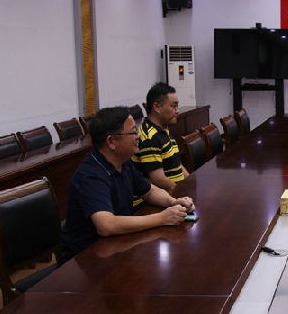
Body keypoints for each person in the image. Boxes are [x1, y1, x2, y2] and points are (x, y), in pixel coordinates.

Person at [60, 106, 194, 259]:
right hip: (85, 255)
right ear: (111, 141)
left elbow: (150, 192)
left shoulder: (123, 163)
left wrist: (173, 202)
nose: (138, 136)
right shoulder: (90, 175)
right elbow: (106, 225)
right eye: (133, 132)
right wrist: (161, 218)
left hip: (117, 244)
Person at [132, 82, 188, 191]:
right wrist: (181, 191)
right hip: (164, 196)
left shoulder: (164, 130)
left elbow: (177, 164)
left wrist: (189, 183)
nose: (177, 111)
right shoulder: (148, 137)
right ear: (157, 107)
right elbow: (158, 179)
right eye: (173, 106)